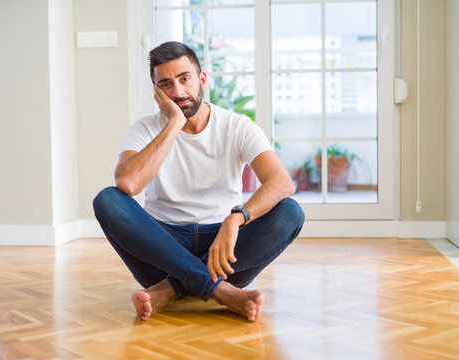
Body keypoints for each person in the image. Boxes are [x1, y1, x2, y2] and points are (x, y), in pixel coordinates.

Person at [93, 41, 304, 322]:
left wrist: (235, 219)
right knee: (108, 199)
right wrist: (174, 123)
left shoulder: (236, 126)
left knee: (290, 211)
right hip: (162, 248)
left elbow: (281, 182)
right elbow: (128, 184)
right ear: (157, 92)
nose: (178, 92)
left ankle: (168, 291)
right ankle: (223, 293)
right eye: (166, 84)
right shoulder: (144, 129)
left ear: (201, 79)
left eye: (184, 79)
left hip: (226, 251)